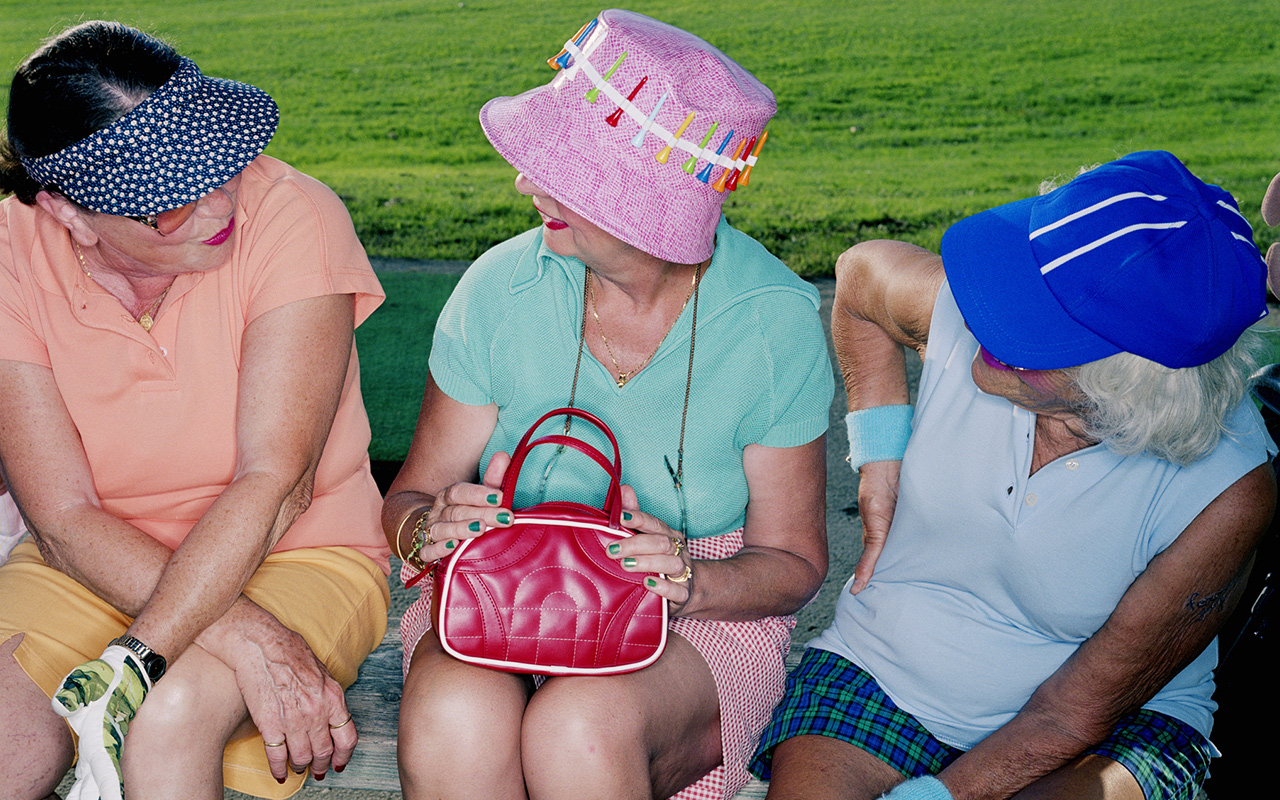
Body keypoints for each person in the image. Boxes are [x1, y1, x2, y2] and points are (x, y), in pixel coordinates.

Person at [382, 9, 833, 799]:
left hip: (701, 608)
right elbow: (409, 501)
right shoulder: (498, 288)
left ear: (641, 203)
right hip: (505, 586)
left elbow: (794, 566)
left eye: (559, 171)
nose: (524, 183)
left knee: (578, 729)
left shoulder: (771, 324)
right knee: (456, 714)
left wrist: (690, 579)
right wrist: (430, 529)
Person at [750, 150, 1277, 800]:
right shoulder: (958, 310)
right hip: (889, 667)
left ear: (1128, 384)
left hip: (1111, 725)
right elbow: (860, 279)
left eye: (1033, 328)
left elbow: (1076, 711)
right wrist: (878, 456)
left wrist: (937, 797)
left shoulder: (1224, 490)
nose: (986, 317)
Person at [0, 21, 391, 800]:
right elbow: (64, 515)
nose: (217, 207)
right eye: (166, 207)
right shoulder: (8, 252)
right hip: (85, 562)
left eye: (221, 166)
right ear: (68, 214)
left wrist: (134, 665)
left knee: (167, 715)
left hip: (299, 553)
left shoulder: (293, 217)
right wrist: (243, 634)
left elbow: (277, 483)